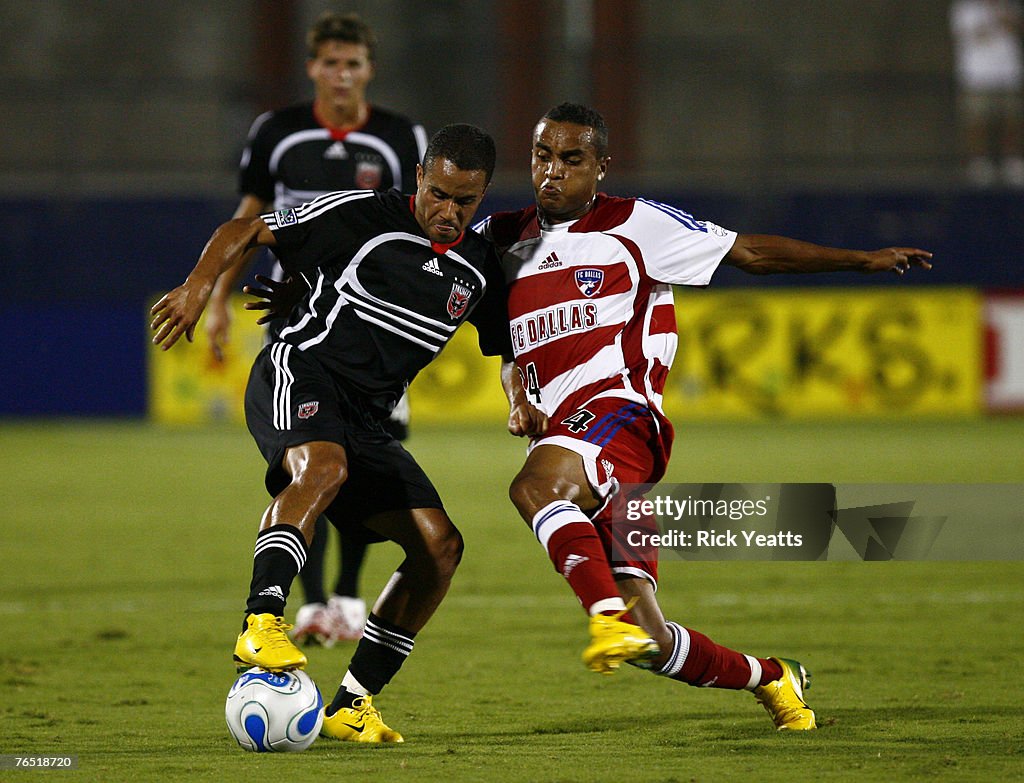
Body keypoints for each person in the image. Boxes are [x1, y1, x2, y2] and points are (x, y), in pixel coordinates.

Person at [478, 103, 933, 731]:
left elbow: (748, 253)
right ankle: (773, 677)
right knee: (648, 639)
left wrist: (862, 260)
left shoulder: (635, 223)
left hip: (621, 420)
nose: (553, 171)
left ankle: (602, 614)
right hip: (565, 440)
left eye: (571, 158)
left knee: (532, 489)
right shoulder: (502, 241)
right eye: (542, 156)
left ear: (600, 166)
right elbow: (505, 341)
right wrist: (517, 399)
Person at [151, 124, 507, 743]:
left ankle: (352, 702)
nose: (448, 212)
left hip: (366, 418)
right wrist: (199, 287)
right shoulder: (364, 212)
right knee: (323, 468)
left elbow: (508, 346)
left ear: (483, 196)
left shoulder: (478, 269)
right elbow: (246, 229)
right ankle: (261, 622)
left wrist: (525, 398)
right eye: (439, 194)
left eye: (465, 201)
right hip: (300, 369)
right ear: (419, 177)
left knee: (439, 548)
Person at [206, 11, 430, 646]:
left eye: (352, 63)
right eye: (330, 63)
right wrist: (219, 295)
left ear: (369, 69)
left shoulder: (398, 136)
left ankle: (350, 595)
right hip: (293, 312)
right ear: (312, 68)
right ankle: (310, 605)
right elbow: (249, 216)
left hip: (375, 324)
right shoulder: (276, 132)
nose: (341, 74)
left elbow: (419, 220)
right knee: (313, 452)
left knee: (370, 458)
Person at [950, 0, 1024, 187]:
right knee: (977, 121)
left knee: (1011, 119)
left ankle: (1012, 160)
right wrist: (995, 23)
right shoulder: (965, 8)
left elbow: (1016, 28)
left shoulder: (1011, 5)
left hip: (1008, 73)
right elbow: (970, 34)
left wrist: (1001, 19)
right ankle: (979, 162)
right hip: (977, 74)